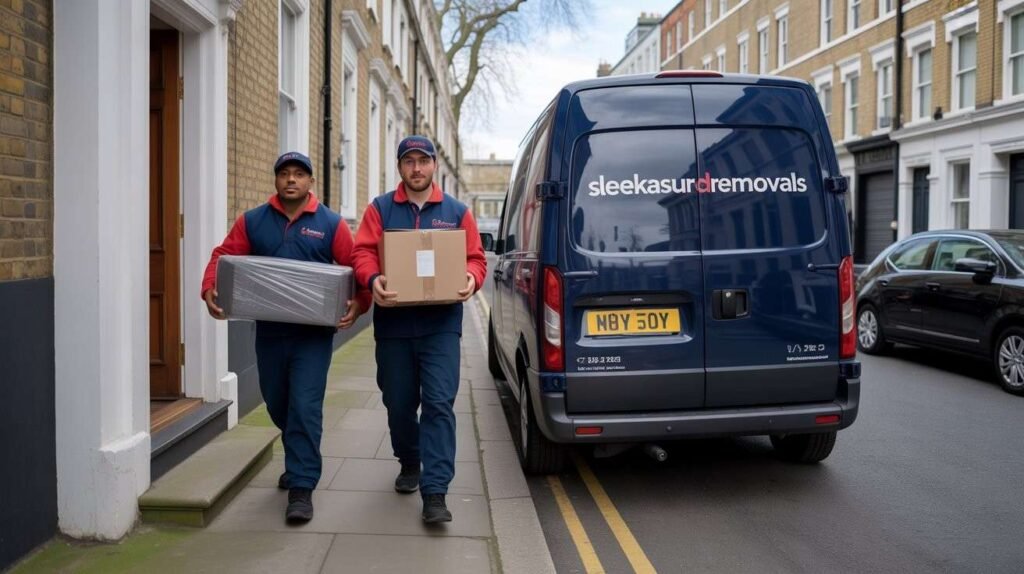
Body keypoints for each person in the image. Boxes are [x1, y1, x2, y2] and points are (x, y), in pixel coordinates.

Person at [201, 151, 370, 523]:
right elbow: (225, 254)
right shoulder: (253, 221)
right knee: (278, 402)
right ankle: (298, 453)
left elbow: (356, 266)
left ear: (310, 182)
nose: (291, 180)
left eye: (299, 174)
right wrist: (211, 284)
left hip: (313, 337)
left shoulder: (331, 224)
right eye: (284, 174)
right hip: (270, 332)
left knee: (305, 407)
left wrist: (361, 301)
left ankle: (302, 487)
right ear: (276, 181)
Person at [352, 135, 487, 523]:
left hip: (441, 327)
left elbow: (475, 259)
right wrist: (371, 277)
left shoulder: (457, 211)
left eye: (423, 161)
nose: (416, 168)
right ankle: (410, 459)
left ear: (433, 166)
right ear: (400, 167)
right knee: (398, 404)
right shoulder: (380, 209)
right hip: (394, 326)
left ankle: (436, 493)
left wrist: (470, 278)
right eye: (409, 161)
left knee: (440, 404)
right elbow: (361, 251)